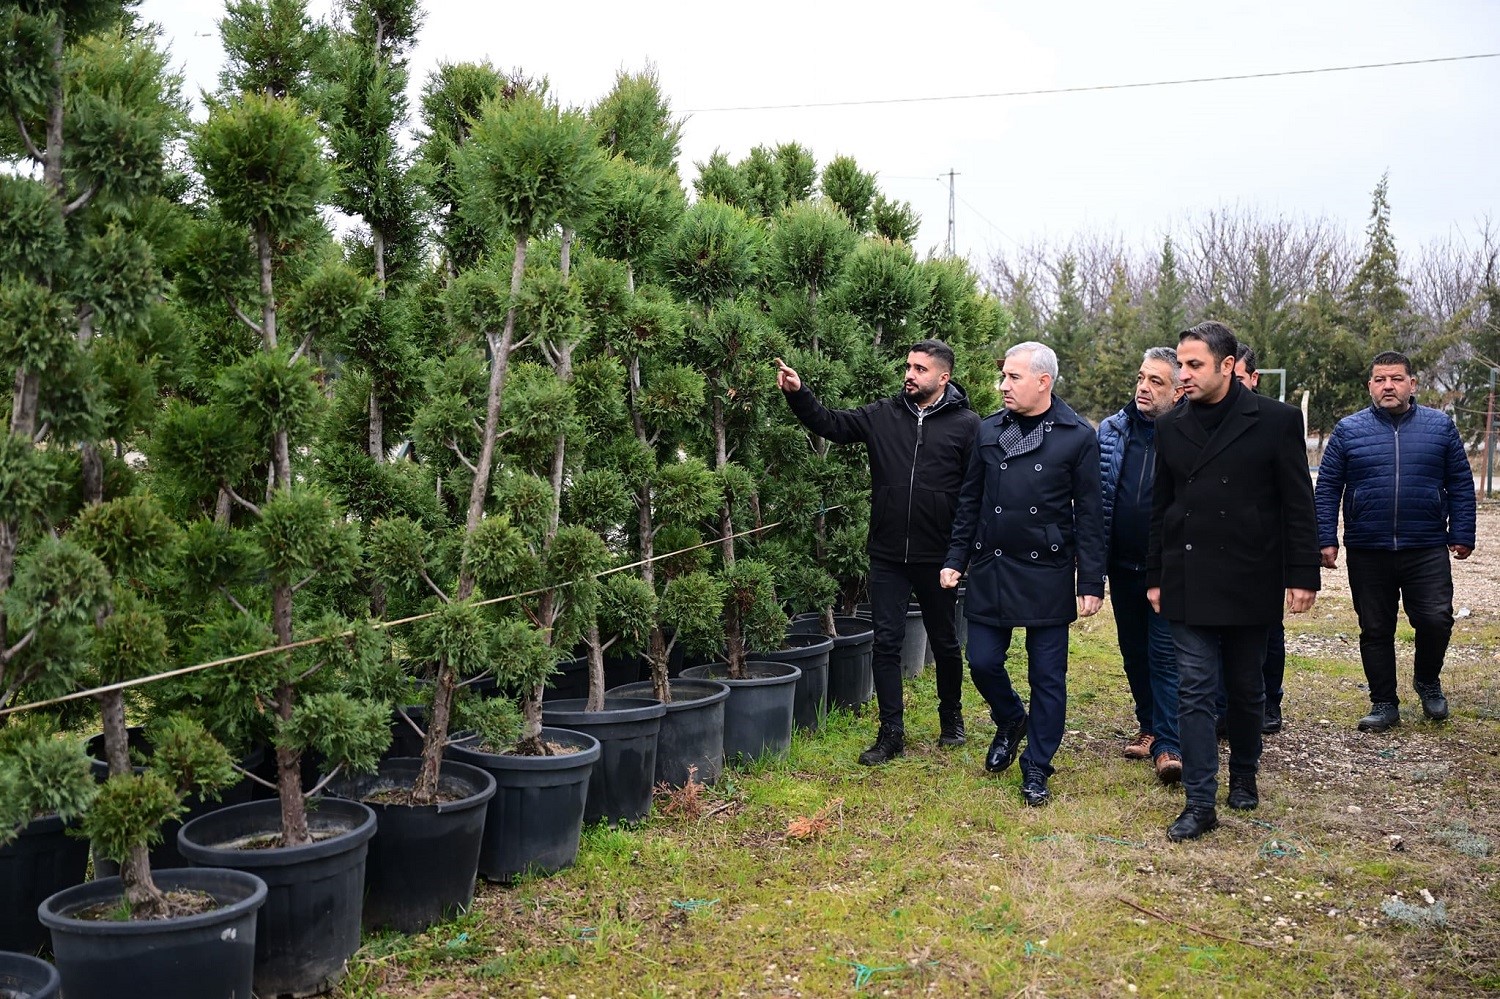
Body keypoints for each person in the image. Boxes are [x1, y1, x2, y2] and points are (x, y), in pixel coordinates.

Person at [1147, 321, 1320, 842]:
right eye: (1181, 364)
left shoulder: (1277, 420)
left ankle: (1244, 775)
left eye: (1194, 364)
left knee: (1246, 690)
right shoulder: (1170, 425)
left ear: (1228, 366)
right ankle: (1200, 802)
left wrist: (1302, 574)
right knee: (1195, 689)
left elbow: (1297, 503)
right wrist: (1155, 576)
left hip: (1251, 575)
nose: (1184, 374)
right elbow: (1160, 508)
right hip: (1188, 577)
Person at [776, 339, 980, 765]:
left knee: (944, 640)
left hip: (937, 556)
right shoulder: (882, 415)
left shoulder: (967, 426)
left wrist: (957, 557)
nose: (909, 374)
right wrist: (799, 393)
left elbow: (972, 499)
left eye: (920, 369)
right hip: (887, 553)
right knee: (886, 642)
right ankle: (891, 733)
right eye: (908, 366)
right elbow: (831, 424)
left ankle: (951, 718)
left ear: (943, 377)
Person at [942, 341, 1105, 807]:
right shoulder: (989, 430)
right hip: (992, 563)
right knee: (983, 661)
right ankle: (1012, 718)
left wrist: (1090, 581)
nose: (1003, 385)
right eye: (1004, 377)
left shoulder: (1077, 435)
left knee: (1048, 677)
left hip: (1047, 569)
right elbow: (969, 501)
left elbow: (1091, 514)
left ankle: (1037, 766)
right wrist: (956, 559)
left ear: (1043, 381)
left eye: (1013, 377)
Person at [1314, 350, 1476, 732]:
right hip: (1369, 547)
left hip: (1426, 545)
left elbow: (1461, 483)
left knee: (1436, 619)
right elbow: (1327, 489)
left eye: (1397, 378)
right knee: (1375, 627)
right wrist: (1326, 538)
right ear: (1370, 386)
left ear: (1412, 384)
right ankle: (1384, 702)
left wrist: (1463, 532)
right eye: (1380, 379)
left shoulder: (1440, 427)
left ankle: (1427, 680)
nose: (1389, 386)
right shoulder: (1348, 430)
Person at [1098, 347, 1183, 783]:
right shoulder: (1113, 431)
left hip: (1168, 569)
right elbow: (1099, 498)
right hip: (1122, 564)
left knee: (1165, 654)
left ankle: (1170, 743)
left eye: (1156, 382)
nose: (1144, 388)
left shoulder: (1188, 431)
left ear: (1177, 389)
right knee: (1134, 652)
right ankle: (1149, 726)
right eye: (1141, 378)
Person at [1230, 343, 1289, 735]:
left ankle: (1268, 701)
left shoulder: (1274, 423)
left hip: (1263, 549)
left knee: (1266, 632)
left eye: (1237, 380)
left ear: (1253, 378)